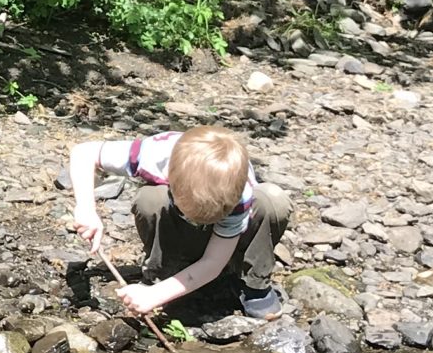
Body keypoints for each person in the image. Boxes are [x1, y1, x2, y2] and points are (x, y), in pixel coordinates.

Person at [65, 124, 291, 322]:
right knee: (150, 199)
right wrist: (86, 208)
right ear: (170, 177)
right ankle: (165, 271)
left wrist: (155, 296)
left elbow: (213, 262)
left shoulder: (238, 193)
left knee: (272, 200)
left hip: (227, 245)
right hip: (179, 232)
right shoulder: (156, 154)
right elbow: (83, 153)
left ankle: (252, 283)